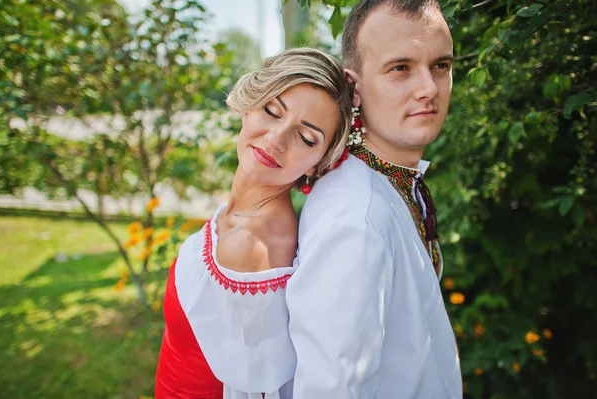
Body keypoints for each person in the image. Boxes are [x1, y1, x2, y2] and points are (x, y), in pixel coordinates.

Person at [285, 1, 463, 398]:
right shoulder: (355, 216)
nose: (429, 88)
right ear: (354, 88)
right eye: (400, 68)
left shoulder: (390, 182)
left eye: (441, 66)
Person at [154, 47, 351, 399]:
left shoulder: (253, 247)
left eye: (307, 138)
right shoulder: (242, 215)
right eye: (272, 111)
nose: (276, 139)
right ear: (250, 105)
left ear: (319, 162)